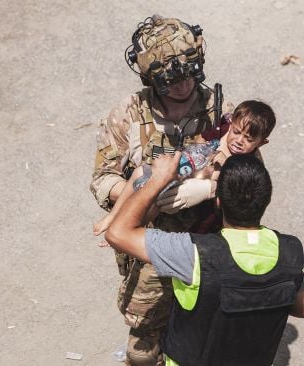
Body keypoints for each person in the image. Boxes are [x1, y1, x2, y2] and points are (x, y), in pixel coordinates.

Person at [90, 15, 234, 365]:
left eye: (190, 75)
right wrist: (141, 191)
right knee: (143, 340)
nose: (184, 87)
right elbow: (102, 177)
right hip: (147, 243)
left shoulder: (220, 110)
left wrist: (208, 188)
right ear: (151, 78)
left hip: (205, 241)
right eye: (172, 80)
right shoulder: (126, 115)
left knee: (204, 328)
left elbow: (249, 179)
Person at [105, 153, 304, 366]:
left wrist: (157, 180)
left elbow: (118, 233)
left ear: (218, 201)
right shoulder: (292, 253)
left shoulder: (193, 253)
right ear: (267, 200)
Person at [93, 100, 276, 239]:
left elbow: (232, 189)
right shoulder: (224, 127)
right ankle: (113, 218)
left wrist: (210, 182)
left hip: (200, 219)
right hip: (185, 171)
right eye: (236, 132)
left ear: (262, 142)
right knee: (139, 173)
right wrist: (201, 153)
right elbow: (200, 142)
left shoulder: (248, 164)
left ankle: (127, 231)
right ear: (232, 123)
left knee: (158, 199)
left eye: (249, 139)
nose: (239, 141)